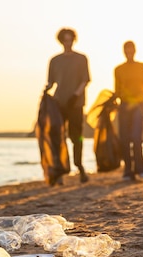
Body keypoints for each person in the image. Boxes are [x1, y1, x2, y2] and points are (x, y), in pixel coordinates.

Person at [45, 27, 91, 183]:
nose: (68, 42)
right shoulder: (55, 60)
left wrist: (75, 95)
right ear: (61, 41)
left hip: (76, 104)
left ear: (74, 39)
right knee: (58, 137)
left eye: (70, 39)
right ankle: (59, 172)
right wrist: (46, 91)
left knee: (76, 137)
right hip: (59, 104)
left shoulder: (81, 58)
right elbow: (51, 82)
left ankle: (80, 167)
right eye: (65, 39)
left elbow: (85, 80)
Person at [114, 41, 143, 181]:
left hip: (138, 105)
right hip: (124, 106)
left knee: (137, 138)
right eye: (126, 50)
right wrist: (112, 102)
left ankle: (140, 168)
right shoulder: (118, 69)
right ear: (123, 52)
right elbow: (117, 90)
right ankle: (127, 170)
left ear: (135, 51)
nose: (129, 52)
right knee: (124, 139)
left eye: (131, 50)